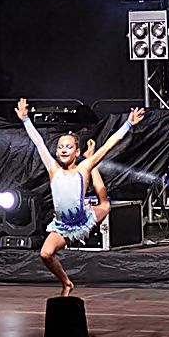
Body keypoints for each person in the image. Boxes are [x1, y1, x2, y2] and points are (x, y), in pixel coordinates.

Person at [15, 98, 144, 296]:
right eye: (60, 147)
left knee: (105, 204)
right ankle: (67, 283)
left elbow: (108, 146)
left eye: (68, 147)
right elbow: (38, 142)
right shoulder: (53, 170)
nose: (63, 150)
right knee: (45, 254)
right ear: (56, 152)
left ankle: (92, 164)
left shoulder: (82, 169)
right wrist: (25, 120)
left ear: (76, 152)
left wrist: (128, 124)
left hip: (84, 218)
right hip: (63, 226)